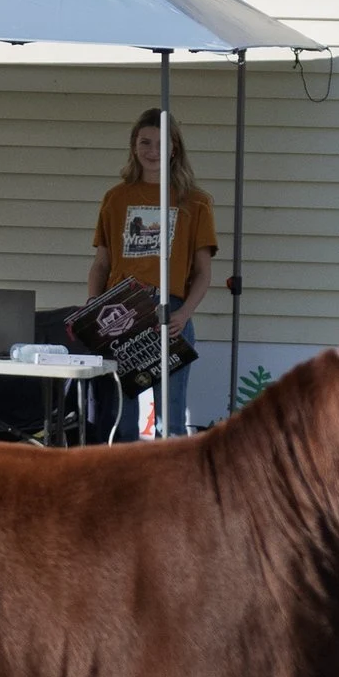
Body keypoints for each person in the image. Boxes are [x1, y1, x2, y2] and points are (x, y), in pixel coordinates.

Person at [84, 108, 216, 441]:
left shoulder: (195, 202)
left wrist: (185, 313)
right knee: (120, 419)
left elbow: (203, 272)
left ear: (175, 148)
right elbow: (102, 263)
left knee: (169, 422)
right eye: (144, 142)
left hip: (171, 313)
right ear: (134, 145)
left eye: (160, 143)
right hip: (120, 312)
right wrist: (92, 309)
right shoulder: (116, 199)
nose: (152, 150)